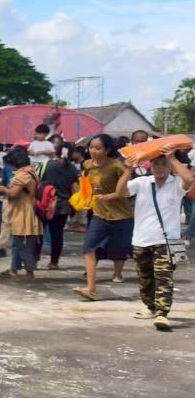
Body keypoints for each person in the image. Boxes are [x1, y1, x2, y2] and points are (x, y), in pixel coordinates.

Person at [126, 147, 193, 331]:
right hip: (141, 239)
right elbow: (122, 191)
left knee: (164, 278)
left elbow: (189, 179)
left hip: (169, 241)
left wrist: (172, 158)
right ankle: (151, 307)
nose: (160, 167)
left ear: (170, 166)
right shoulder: (142, 182)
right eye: (156, 164)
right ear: (151, 166)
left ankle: (162, 313)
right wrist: (127, 169)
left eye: (164, 164)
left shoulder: (176, 183)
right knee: (145, 278)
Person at [76, 133, 133, 301]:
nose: (93, 151)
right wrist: (85, 196)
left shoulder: (116, 166)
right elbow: (85, 182)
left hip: (121, 214)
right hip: (99, 213)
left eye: (98, 148)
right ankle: (91, 288)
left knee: (119, 249)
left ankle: (117, 273)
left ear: (107, 150)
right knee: (88, 248)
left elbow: (125, 189)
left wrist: (110, 195)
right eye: (91, 147)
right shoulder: (87, 164)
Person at [0, 146, 42, 279]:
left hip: (23, 212)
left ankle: (28, 271)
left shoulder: (22, 175)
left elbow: (13, 193)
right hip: (28, 210)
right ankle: (15, 269)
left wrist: (3, 189)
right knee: (21, 243)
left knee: (21, 244)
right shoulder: (31, 171)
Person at [39, 144, 79, 270]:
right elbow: (75, 190)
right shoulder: (72, 169)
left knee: (39, 232)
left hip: (45, 204)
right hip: (62, 206)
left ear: (57, 151)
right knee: (57, 235)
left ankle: (33, 259)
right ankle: (54, 262)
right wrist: (74, 208)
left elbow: (37, 181)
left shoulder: (47, 164)